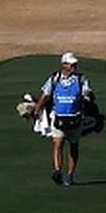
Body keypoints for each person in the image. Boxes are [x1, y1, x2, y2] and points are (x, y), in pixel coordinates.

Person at [33, 52, 94, 186]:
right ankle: (57, 171)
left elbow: (87, 92)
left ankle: (70, 175)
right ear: (63, 65)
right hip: (58, 117)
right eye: (71, 64)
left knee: (73, 146)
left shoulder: (81, 79)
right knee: (57, 143)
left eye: (75, 64)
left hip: (75, 118)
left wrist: (87, 97)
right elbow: (45, 95)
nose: (74, 66)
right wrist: (37, 109)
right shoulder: (54, 79)